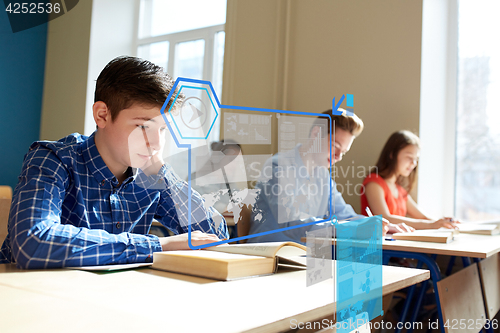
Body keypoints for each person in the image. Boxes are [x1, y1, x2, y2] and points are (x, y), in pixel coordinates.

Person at [0, 56, 228, 269]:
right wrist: (159, 245)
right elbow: (33, 242)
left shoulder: (150, 174)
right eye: (142, 126)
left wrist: (164, 174)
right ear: (102, 115)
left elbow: (216, 237)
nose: (157, 143)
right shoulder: (52, 158)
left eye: (163, 129)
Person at [247, 110, 413, 243]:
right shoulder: (278, 166)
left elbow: (344, 213)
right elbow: (291, 222)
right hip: (268, 258)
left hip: (302, 257)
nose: (339, 156)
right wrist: (351, 229)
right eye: (335, 146)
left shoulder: (322, 175)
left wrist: (380, 225)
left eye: (344, 152)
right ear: (315, 134)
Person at [361, 130, 459, 229]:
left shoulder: (400, 190)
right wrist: (431, 225)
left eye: (416, 159)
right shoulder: (373, 182)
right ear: (392, 154)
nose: (414, 163)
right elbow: (385, 218)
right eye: (409, 157)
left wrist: (444, 222)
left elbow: (423, 217)